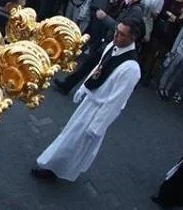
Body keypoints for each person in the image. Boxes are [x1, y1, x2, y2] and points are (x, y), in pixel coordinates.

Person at [32, 19, 142, 182]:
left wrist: (98, 126)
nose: (116, 36)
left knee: (74, 141)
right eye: (116, 31)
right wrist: (84, 87)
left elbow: (116, 101)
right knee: (70, 135)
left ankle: (52, 168)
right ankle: (54, 166)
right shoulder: (113, 46)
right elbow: (99, 68)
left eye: (121, 34)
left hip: (98, 110)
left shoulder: (131, 69)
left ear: (133, 38)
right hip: (90, 101)